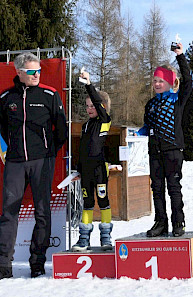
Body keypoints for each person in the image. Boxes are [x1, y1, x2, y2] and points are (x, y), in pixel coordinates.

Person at [0, 52, 67, 278]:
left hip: (42, 162)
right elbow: (1, 131)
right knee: (9, 212)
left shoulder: (50, 94)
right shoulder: (6, 98)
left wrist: (49, 154)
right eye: (31, 71)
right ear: (19, 73)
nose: (37, 74)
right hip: (15, 163)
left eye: (38, 70)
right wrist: (9, 150)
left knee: (42, 212)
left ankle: (37, 263)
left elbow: (61, 131)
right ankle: (3, 266)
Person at [136, 43, 192, 237]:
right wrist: (136, 135)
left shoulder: (177, 99)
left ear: (170, 82)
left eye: (160, 80)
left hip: (173, 150)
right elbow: (147, 127)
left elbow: (189, 81)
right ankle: (160, 222)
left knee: (174, 188)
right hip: (155, 152)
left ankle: (178, 222)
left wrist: (180, 56)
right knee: (157, 188)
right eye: (154, 81)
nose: (157, 84)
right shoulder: (151, 104)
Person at [71, 71, 113, 252]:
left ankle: (106, 237)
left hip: (100, 169)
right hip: (86, 171)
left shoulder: (104, 121)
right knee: (87, 204)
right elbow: (82, 150)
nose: (89, 109)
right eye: (87, 106)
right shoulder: (86, 125)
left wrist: (88, 84)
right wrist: (77, 170)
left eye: (93, 105)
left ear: (102, 106)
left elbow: (98, 102)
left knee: (103, 201)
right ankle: (84, 238)